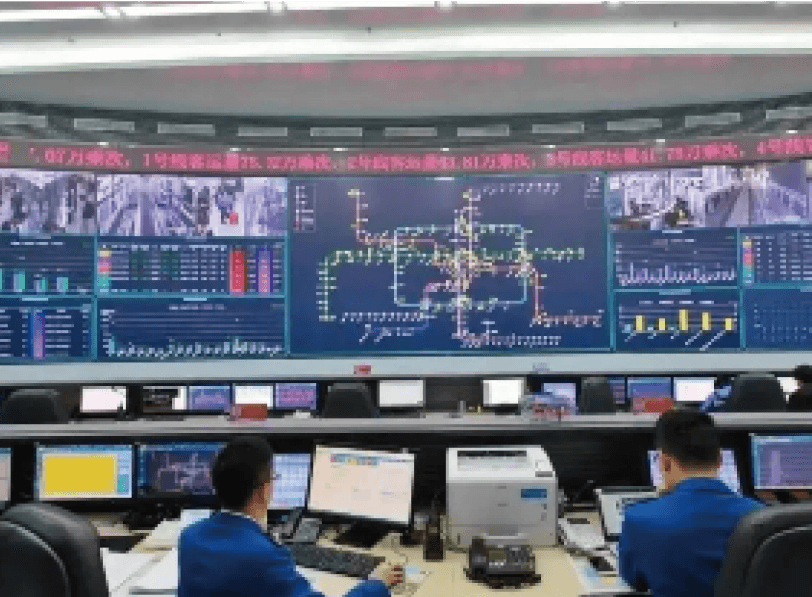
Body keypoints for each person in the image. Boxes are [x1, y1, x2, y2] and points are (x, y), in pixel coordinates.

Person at [178, 437, 403, 597]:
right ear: (263, 492)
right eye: (273, 478)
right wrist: (377, 584)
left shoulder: (189, 537)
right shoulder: (264, 557)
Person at [618, 410, 762, 597]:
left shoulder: (639, 519)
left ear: (664, 463)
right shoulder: (761, 518)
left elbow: (635, 580)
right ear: (720, 459)